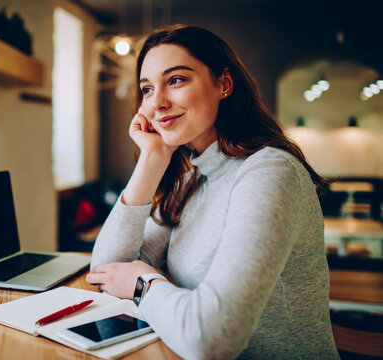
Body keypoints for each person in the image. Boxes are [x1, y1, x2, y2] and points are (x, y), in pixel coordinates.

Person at [86, 25, 339, 359]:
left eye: (176, 80)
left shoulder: (270, 173)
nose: (158, 102)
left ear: (225, 84)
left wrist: (142, 285)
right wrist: (151, 160)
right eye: (147, 89)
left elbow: (213, 339)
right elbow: (106, 271)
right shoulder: (191, 177)